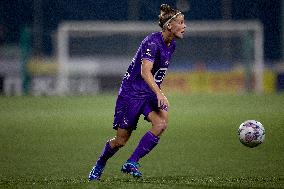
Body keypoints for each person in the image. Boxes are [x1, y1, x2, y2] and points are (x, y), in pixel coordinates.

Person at [88, 4, 186, 181]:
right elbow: (145, 71)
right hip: (131, 94)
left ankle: (132, 161)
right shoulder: (151, 42)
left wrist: (156, 92)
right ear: (169, 26)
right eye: (181, 22)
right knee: (120, 141)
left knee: (161, 123)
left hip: (147, 93)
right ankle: (100, 163)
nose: (185, 26)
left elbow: (156, 74)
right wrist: (159, 93)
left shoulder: (171, 46)